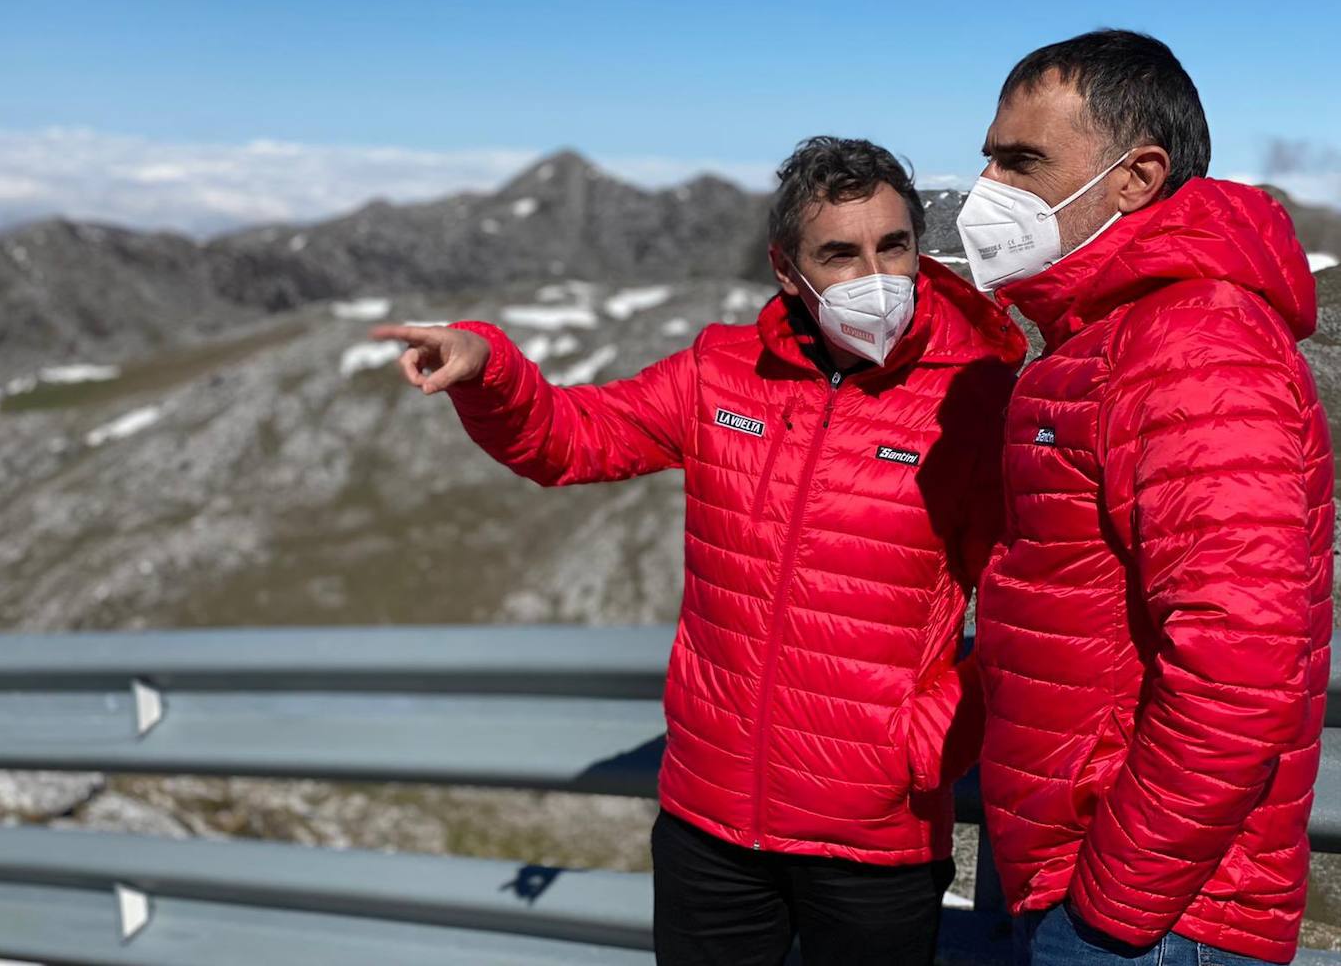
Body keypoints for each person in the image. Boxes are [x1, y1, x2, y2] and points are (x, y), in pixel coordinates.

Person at [372, 136, 1025, 965]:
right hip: (709, 827)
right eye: (840, 254)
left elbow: (1041, 600)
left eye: (893, 245)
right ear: (787, 269)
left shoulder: (975, 398)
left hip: (873, 841)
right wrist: (486, 368)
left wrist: (923, 740)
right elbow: (570, 440)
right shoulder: (720, 372)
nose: (878, 277)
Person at [959, 29, 1333, 966]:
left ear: (1136, 176)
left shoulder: (1192, 341)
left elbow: (1240, 665)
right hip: (1071, 871)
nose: (988, 190)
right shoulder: (1110, 331)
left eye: (1023, 160)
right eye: (990, 158)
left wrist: (1112, 902)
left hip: (1148, 911)